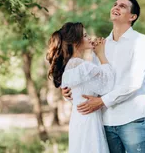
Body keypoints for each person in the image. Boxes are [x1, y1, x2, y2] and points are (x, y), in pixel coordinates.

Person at [62, 0, 145, 153]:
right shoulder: (100, 46)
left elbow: (134, 82)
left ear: (132, 17)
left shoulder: (141, 41)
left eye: (123, 6)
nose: (116, 7)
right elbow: (95, 83)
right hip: (105, 122)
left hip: (131, 119)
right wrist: (70, 92)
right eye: (115, 4)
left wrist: (101, 101)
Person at [46, 22, 115, 153]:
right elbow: (108, 85)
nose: (89, 37)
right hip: (89, 120)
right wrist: (101, 54)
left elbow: (74, 94)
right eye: (84, 35)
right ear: (75, 41)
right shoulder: (82, 66)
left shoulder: (68, 66)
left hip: (78, 120)